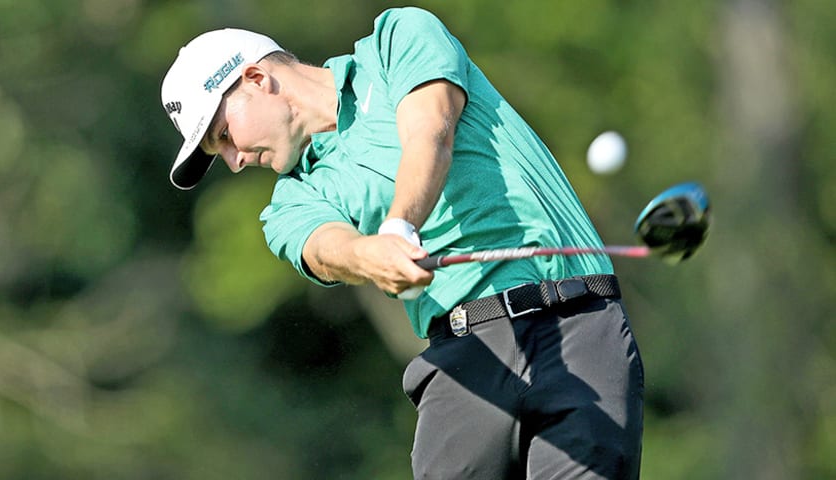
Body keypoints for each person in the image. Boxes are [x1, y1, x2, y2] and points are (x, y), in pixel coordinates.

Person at [161, 7, 643, 479]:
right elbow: (328, 249)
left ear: (255, 79)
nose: (234, 161)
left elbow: (430, 129)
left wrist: (398, 228)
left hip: (579, 322)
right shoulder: (290, 203)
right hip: (467, 361)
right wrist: (370, 256)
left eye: (225, 135)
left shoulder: (396, 41)